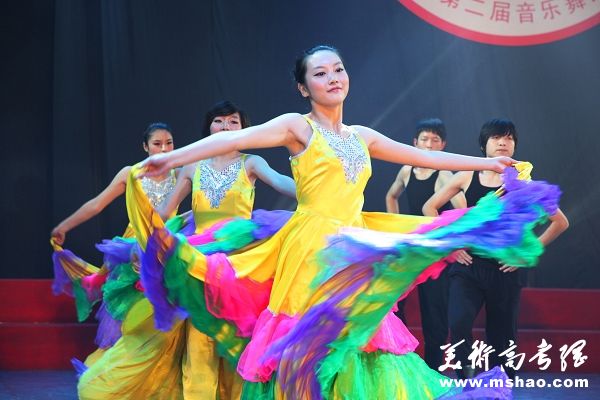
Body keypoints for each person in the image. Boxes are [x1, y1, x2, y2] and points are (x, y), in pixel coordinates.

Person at [136, 46, 556, 399]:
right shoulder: (298, 127)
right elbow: (235, 138)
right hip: (312, 252)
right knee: (311, 346)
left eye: (338, 69)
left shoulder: (362, 136)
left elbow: (426, 156)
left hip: (355, 249)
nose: (333, 78)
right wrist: (172, 158)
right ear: (304, 88)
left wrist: (487, 163)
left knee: (362, 343)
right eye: (320, 73)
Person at [159, 100, 296, 400]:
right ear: (209, 127)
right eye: (219, 121)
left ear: (244, 129)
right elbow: (166, 211)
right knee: (200, 339)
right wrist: (146, 236)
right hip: (198, 262)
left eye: (233, 121)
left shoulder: (251, 163)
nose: (225, 126)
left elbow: (280, 181)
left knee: (237, 340)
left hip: (241, 264)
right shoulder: (192, 165)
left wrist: (314, 192)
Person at [51, 123, 190, 398]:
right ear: (145, 146)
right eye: (157, 144)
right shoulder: (132, 173)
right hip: (132, 252)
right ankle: (117, 383)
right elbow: (97, 203)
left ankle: (160, 383)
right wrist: (65, 226)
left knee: (165, 323)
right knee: (132, 321)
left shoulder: (181, 171)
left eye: (169, 143)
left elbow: (198, 205)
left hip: (166, 249)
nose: (164, 149)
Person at [422, 119, 569, 379]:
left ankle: (499, 388)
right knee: (458, 323)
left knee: (502, 338)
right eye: (496, 137)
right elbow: (429, 207)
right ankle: (467, 382)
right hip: (468, 267)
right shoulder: (467, 175)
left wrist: (523, 256)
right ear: (484, 145)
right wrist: (451, 247)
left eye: (508, 138)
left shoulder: (523, 183)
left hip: (504, 270)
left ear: (514, 145)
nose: (503, 142)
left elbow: (560, 222)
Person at [385, 118, 466, 370]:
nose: (429, 144)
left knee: (434, 312)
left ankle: (433, 369)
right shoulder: (407, 170)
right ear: (415, 143)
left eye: (434, 140)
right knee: (394, 305)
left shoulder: (444, 174)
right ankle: (400, 363)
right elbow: (391, 195)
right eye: (424, 139)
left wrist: (452, 242)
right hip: (411, 249)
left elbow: (462, 209)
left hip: (434, 255)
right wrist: (397, 226)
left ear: (443, 145)